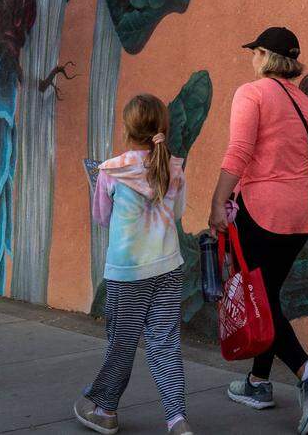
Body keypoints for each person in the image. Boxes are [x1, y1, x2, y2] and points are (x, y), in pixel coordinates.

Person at [207, 26, 308, 435]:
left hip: (263, 211)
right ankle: (257, 384)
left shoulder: (250, 94)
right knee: (265, 293)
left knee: (260, 299)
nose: (251, 60)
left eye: (254, 52)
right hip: (300, 216)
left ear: (264, 56)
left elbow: (239, 151)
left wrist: (217, 202)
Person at [75, 94, 195, 435]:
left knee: (122, 342)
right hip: (168, 267)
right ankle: (177, 420)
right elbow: (178, 213)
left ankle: (106, 410)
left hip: (127, 273)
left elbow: (101, 218)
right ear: (162, 128)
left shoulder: (111, 170)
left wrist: (97, 185)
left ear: (128, 127)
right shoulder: (174, 168)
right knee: (165, 343)